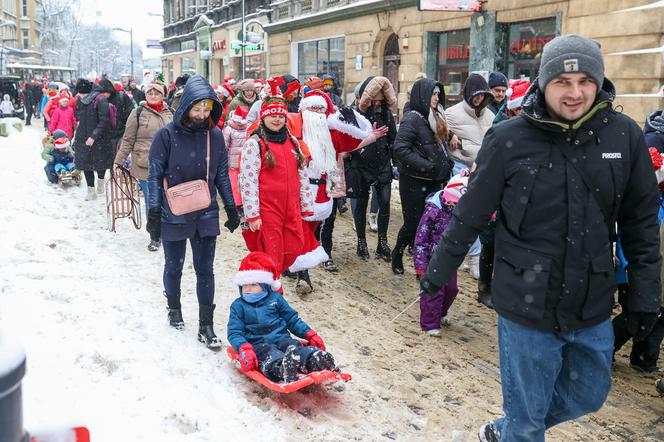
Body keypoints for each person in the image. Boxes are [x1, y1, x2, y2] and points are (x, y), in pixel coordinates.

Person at [419, 34, 662, 442]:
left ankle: (506, 431)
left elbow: (640, 222)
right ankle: (518, 429)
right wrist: (438, 272)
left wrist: (645, 294)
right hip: (525, 302)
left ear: (599, 83)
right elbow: (470, 214)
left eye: (585, 81)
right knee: (528, 420)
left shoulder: (624, 136)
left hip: (592, 299)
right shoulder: (508, 138)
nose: (574, 92)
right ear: (543, 84)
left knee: (589, 394)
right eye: (562, 83)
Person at [146, 75, 240, 350]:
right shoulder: (166, 135)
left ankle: (206, 326)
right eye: (196, 109)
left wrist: (231, 206)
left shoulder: (215, 135)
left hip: (205, 209)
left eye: (207, 110)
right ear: (185, 105)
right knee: (173, 266)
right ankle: (174, 308)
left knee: (205, 270)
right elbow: (154, 175)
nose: (201, 115)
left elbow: (222, 173)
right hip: (173, 209)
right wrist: (153, 210)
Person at [227, 252, 337, 383]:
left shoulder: (276, 299)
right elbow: (234, 332)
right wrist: (244, 348)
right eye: (245, 285)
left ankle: (313, 360)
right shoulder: (238, 306)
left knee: (294, 347)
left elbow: (292, 319)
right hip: (257, 344)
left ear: (265, 285)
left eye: (253, 285)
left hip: (281, 338)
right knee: (269, 353)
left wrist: (309, 334)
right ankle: (282, 369)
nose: (248, 289)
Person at [238, 91, 314, 278]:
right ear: (263, 117)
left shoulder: (293, 141)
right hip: (268, 208)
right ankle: (272, 289)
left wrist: (306, 205)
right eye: (273, 115)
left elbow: (302, 174)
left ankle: (273, 276)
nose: (277, 119)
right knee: (272, 252)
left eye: (281, 116)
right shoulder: (255, 144)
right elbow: (248, 181)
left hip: (292, 207)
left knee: (295, 246)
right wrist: (253, 215)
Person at [476, 78, 532, 309]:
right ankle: (485, 287)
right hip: (498, 196)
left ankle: (506, 287)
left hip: (520, 196)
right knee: (490, 245)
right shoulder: (499, 129)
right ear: (511, 109)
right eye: (518, 109)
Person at [391, 78, 453, 275]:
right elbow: (400, 149)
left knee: (432, 225)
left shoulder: (436, 115)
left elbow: (437, 143)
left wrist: (446, 162)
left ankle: (423, 266)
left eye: (437, 94)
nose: (436, 98)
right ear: (422, 95)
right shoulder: (412, 118)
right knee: (413, 224)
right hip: (414, 183)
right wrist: (427, 166)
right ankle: (397, 253)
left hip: (435, 181)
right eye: (432, 94)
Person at [611, 147, 664, 373]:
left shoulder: (658, 205)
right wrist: (629, 270)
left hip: (652, 275)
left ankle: (644, 359)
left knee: (656, 319)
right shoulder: (642, 206)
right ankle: (604, 348)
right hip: (633, 273)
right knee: (632, 317)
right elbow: (634, 241)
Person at [444, 73, 494, 279]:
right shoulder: (451, 113)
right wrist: (450, 136)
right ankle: (474, 257)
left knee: (483, 216)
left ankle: (471, 254)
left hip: (485, 170)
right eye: (475, 95)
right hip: (461, 168)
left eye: (482, 95)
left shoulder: (490, 116)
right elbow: (440, 132)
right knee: (466, 213)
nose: (478, 99)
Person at [114, 79, 174, 252]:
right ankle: (155, 236)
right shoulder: (137, 113)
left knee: (168, 200)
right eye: (150, 93)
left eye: (157, 93)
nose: (153, 96)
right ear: (146, 95)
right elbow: (128, 139)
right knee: (152, 201)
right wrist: (118, 161)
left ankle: (168, 231)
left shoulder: (170, 112)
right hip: (145, 164)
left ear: (163, 95)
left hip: (169, 164)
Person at [414, 170, 469, 336]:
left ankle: (442, 312)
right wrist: (421, 266)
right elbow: (421, 239)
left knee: (451, 289)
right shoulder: (434, 210)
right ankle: (430, 323)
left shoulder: (460, 212)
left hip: (449, 257)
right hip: (431, 258)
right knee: (433, 291)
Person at [349, 76, 397, 260]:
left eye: (381, 100)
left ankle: (382, 243)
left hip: (383, 164)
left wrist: (395, 162)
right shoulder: (356, 114)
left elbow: (393, 138)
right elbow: (350, 139)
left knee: (384, 203)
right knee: (361, 203)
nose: (377, 103)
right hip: (361, 165)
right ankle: (361, 242)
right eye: (374, 99)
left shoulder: (386, 114)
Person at [72, 78, 114, 200]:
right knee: (85, 164)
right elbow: (79, 118)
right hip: (82, 137)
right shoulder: (81, 100)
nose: (78, 95)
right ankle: (91, 191)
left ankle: (100, 182)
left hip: (100, 138)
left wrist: (93, 136)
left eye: (80, 92)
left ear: (86, 91)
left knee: (100, 163)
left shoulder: (100, 99)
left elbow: (104, 121)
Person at [222, 105, 249, 213]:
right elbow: (224, 145)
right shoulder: (228, 129)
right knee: (234, 184)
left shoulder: (247, 128)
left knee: (243, 183)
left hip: (244, 161)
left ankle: (243, 203)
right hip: (232, 162)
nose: (240, 124)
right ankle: (236, 204)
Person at [99, 78, 134, 151]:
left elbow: (131, 112)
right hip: (104, 136)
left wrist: (123, 121)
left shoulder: (121, 96)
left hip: (121, 134)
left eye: (105, 92)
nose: (104, 94)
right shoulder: (100, 100)